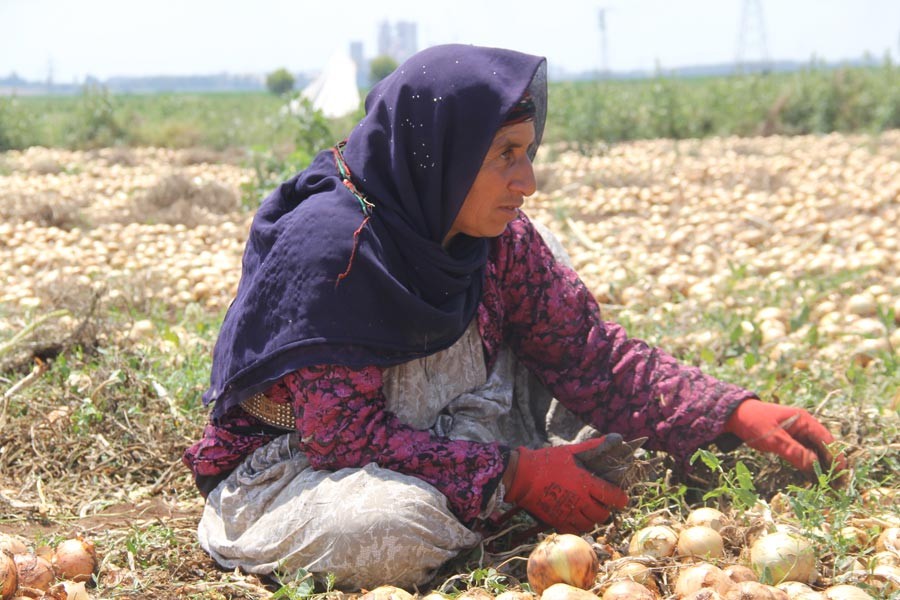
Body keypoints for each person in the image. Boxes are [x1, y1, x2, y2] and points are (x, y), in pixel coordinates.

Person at [182, 44, 844, 591]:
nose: (526, 179)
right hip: (306, 469)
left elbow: (587, 351)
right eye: (504, 155)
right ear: (439, 153)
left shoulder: (489, 238)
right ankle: (496, 493)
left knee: (589, 378)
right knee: (388, 531)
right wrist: (515, 474)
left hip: (452, 422)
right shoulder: (334, 249)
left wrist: (731, 410)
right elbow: (342, 439)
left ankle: (497, 489)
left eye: (528, 152)